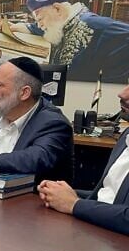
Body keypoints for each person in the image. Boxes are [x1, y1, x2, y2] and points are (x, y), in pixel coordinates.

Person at [37, 84, 129, 235]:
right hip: (99, 232)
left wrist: (74, 204)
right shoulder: (126, 136)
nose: (122, 94)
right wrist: (60, 193)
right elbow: (107, 197)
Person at [3, 0, 129, 83]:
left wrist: (111, 84)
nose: (40, 25)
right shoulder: (61, 23)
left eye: (40, 19)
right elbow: (37, 28)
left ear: (57, 9)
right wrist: (15, 27)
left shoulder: (94, 25)